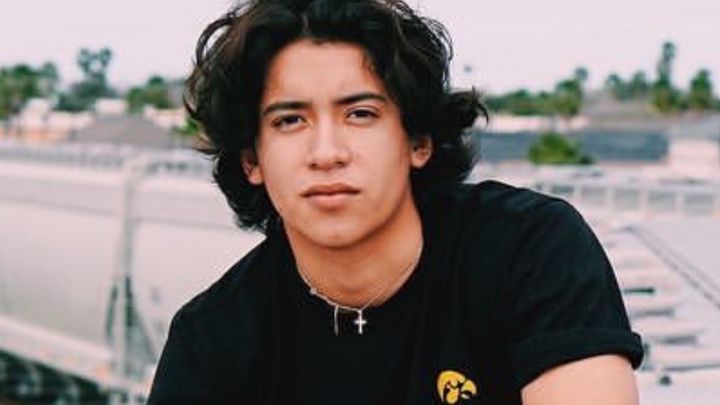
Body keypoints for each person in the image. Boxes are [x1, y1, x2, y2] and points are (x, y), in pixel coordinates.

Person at [148, 0, 644, 403]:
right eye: (289, 121)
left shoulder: (529, 249)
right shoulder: (212, 341)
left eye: (360, 114)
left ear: (417, 141)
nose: (327, 153)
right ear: (252, 160)